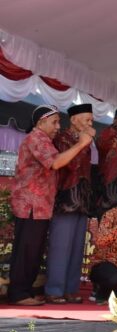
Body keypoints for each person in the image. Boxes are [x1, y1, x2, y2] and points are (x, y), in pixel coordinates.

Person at [9, 105, 93, 306]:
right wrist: (81, 143)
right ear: (41, 122)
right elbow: (56, 163)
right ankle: (18, 294)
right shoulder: (36, 138)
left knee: (34, 251)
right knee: (26, 251)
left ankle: (25, 292)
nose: (57, 126)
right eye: (54, 122)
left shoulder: (44, 140)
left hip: (41, 206)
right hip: (30, 204)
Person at [45, 103, 96, 304]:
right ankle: (54, 289)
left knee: (76, 248)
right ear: (74, 120)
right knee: (60, 246)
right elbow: (71, 165)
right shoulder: (62, 138)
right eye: (87, 120)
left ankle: (70, 289)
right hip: (65, 199)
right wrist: (83, 143)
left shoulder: (84, 140)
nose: (90, 123)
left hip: (81, 199)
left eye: (92, 120)